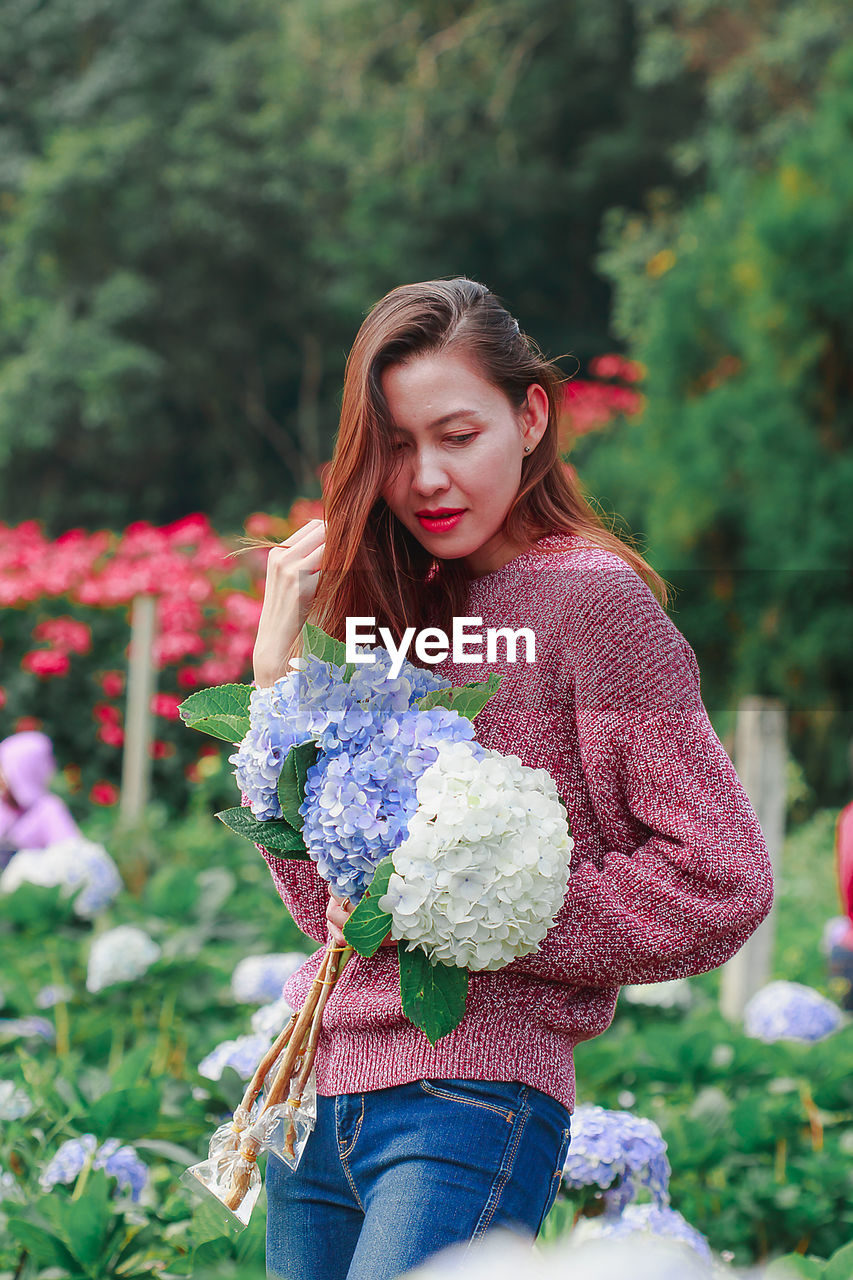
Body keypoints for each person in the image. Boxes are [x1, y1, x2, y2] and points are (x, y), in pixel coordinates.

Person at [245, 278, 774, 1280]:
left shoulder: (591, 605)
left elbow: (720, 876)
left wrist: (490, 907)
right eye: (396, 445)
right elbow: (332, 907)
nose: (425, 476)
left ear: (529, 417)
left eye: (455, 434)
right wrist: (277, 688)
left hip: (469, 1101)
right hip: (314, 1104)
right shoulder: (398, 610)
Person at [0, 730, 80, 870]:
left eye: (4, 770)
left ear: (23, 772)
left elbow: (71, 854)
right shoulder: (4, 809)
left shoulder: (47, 809)